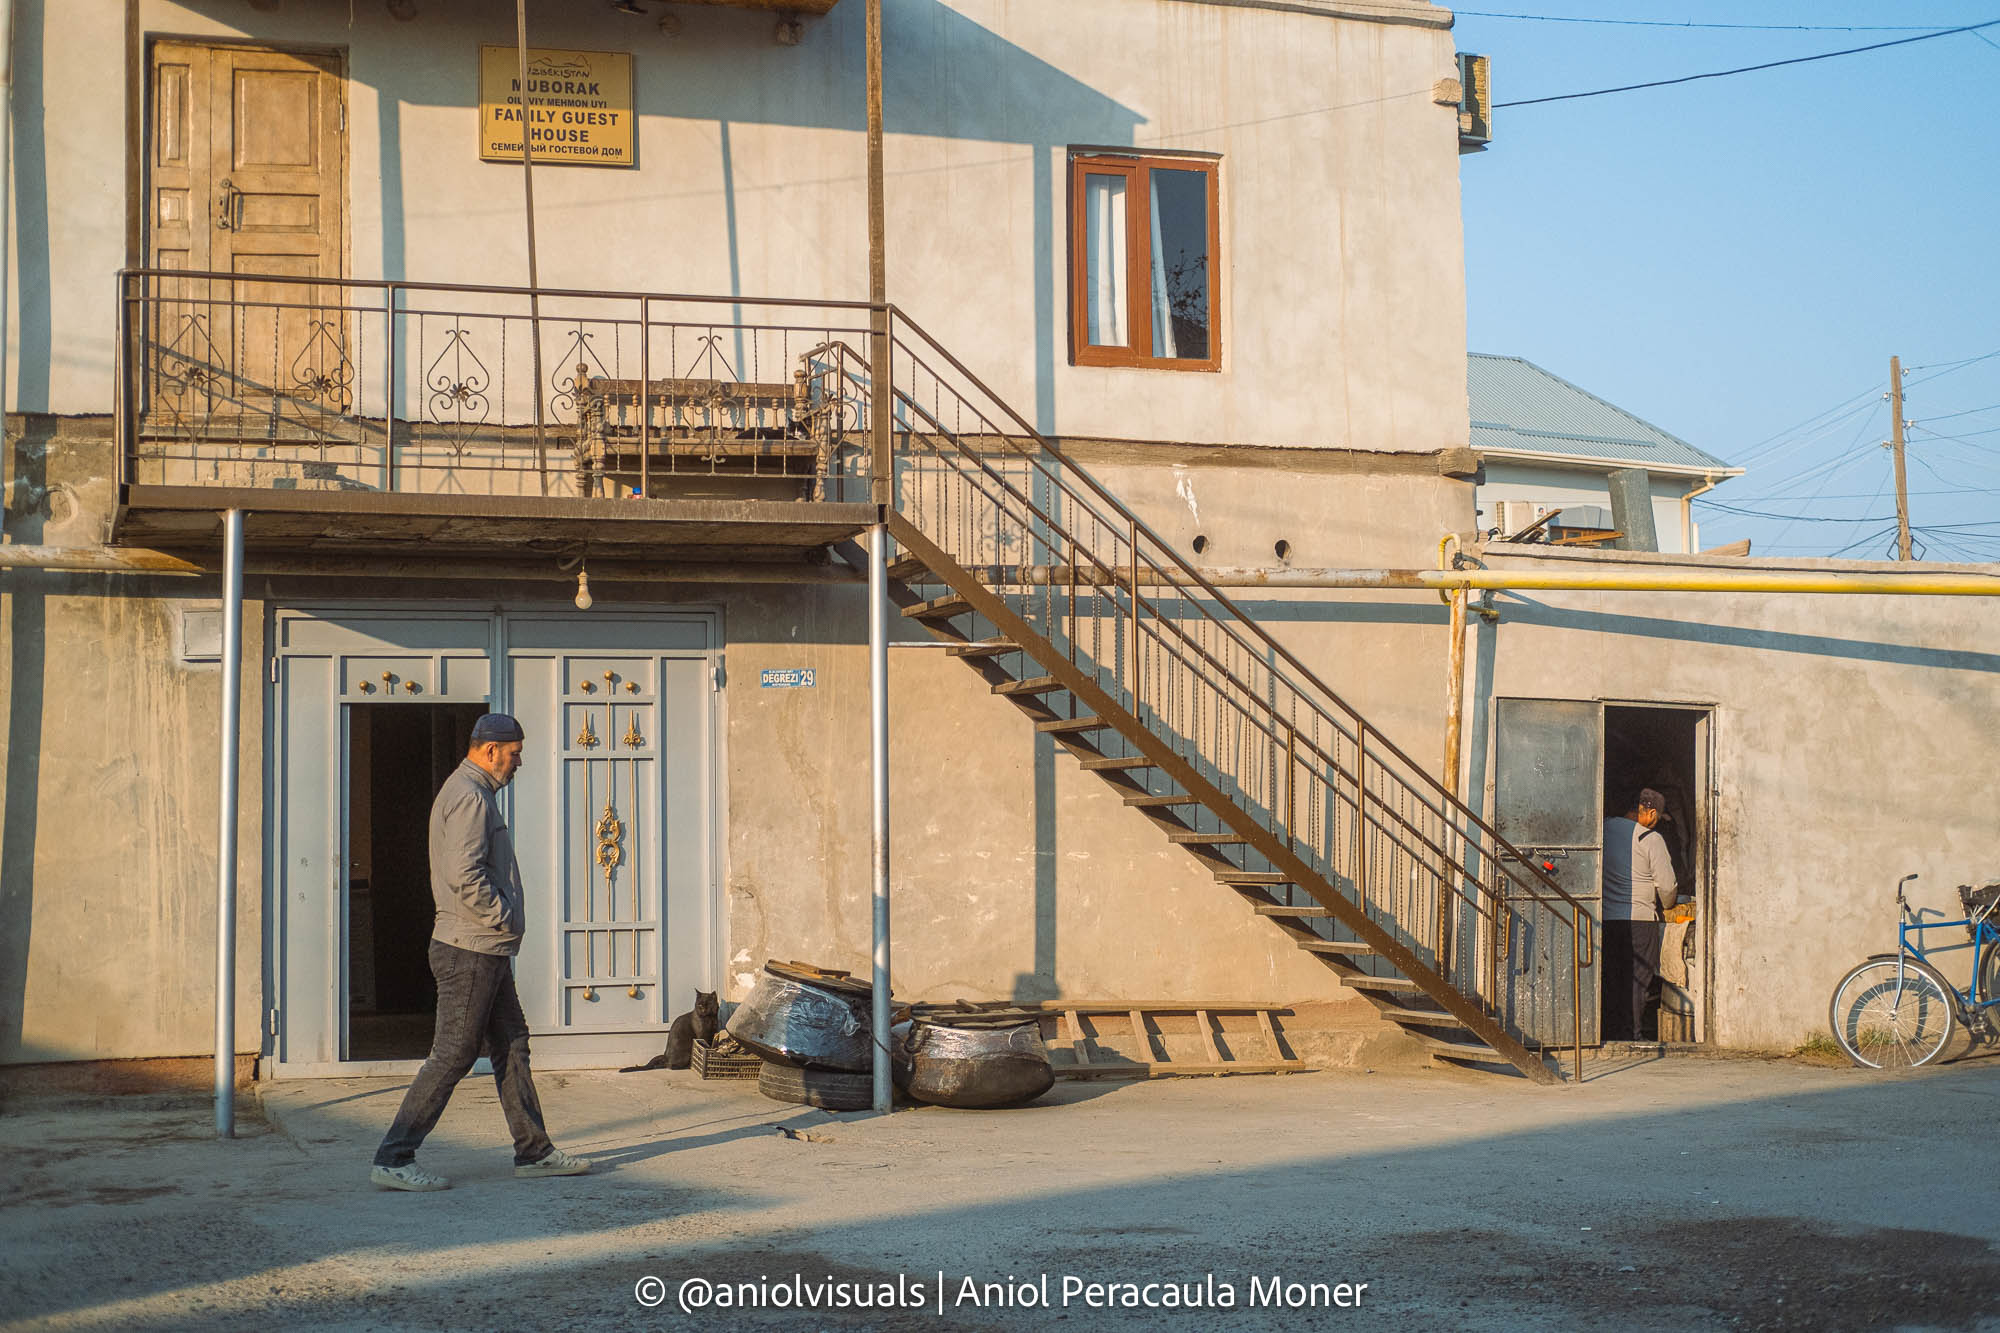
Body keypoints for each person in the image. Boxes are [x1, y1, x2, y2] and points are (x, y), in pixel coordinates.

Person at [370, 712, 592, 1191]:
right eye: (514, 754)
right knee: (453, 1054)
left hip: (481, 948)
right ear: (490, 750)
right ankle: (394, 1156)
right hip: (470, 948)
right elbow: (465, 876)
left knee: (512, 1045)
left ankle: (534, 1151)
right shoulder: (470, 797)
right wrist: (504, 916)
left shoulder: (470, 792)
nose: (519, 763)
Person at [1600, 787, 1679, 1042]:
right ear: (1651, 812)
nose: (1655, 825)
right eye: (1656, 819)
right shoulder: (1650, 839)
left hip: (1608, 920)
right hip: (1641, 921)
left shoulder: (1603, 828)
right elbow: (1667, 887)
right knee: (1638, 981)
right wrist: (1668, 904)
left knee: (1613, 977)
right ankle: (1630, 1035)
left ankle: (1609, 1031)